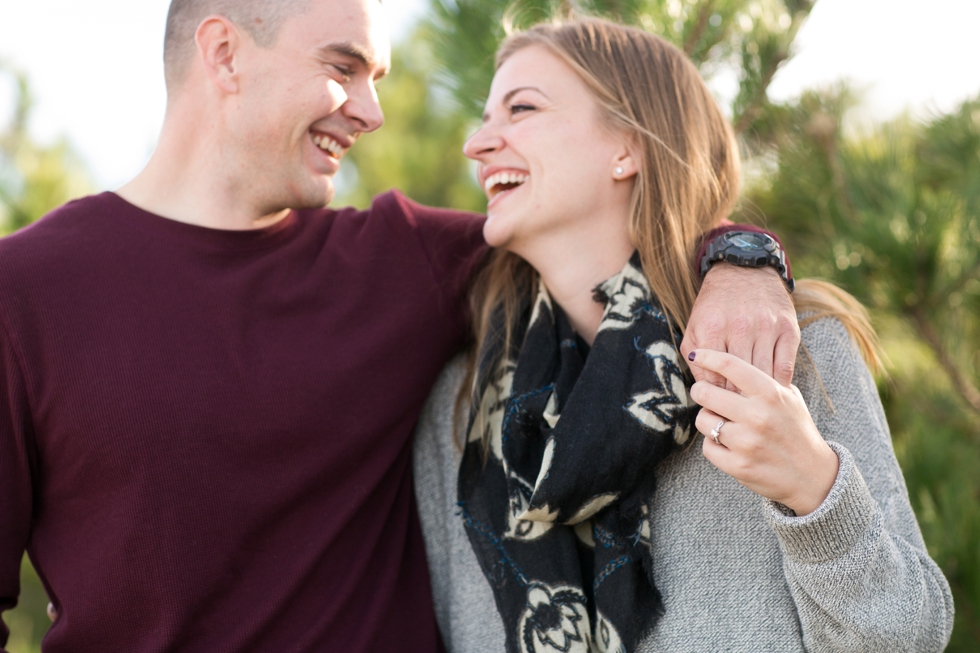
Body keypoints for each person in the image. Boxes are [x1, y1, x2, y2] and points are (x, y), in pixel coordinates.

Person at [0, 1, 796, 651]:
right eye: (343, 68)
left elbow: (601, 223)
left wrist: (740, 258)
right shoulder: (23, 293)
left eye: (376, 77)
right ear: (223, 53)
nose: (374, 112)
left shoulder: (399, 261)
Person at [411, 17, 954, 653]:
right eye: (484, 117)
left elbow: (907, 638)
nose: (478, 142)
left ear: (628, 147)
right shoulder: (460, 409)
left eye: (521, 108)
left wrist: (812, 489)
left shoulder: (785, 348)